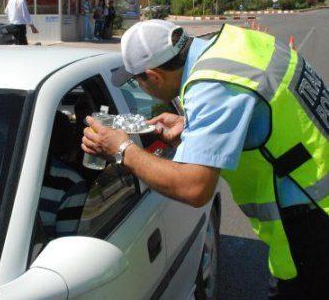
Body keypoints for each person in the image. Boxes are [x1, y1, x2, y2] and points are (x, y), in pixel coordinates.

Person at [81, 19, 328, 298]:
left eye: (137, 81)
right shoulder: (236, 45)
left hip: (312, 216)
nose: (140, 87)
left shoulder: (211, 85)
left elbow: (195, 187)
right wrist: (192, 127)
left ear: (153, 75)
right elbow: (253, 102)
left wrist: (122, 149)